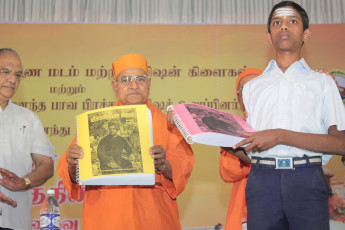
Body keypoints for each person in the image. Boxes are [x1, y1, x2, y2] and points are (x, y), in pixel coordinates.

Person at [233, 2, 345, 229]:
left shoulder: (322, 82)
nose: (283, 26)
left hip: (307, 179)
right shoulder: (253, 87)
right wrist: (224, 141)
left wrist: (280, 135)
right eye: (277, 22)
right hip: (261, 180)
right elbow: (252, 150)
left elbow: (340, 143)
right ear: (268, 36)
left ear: (306, 33)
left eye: (292, 21)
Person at [57, 53, 194, 230]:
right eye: (126, 80)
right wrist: (72, 163)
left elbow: (184, 164)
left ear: (149, 84)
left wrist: (165, 164)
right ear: (115, 87)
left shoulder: (169, 124)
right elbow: (71, 175)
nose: (134, 85)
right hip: (106, 219)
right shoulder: (97, 123)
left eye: (140, 79)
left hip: (155, 219)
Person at [0, 48, 55, 230]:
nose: (13, 80)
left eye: (18, 75)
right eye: (5, 72)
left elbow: (46, 165)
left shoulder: (28, 118)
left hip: (17, 220)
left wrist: (24, 182)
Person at [219, 68, 262, 230]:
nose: (251, 94)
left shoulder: (281, 126)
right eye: (244, 90)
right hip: (243, 212)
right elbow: (227, 173)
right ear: (239, 97)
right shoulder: (234, 128)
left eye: (256, 87)